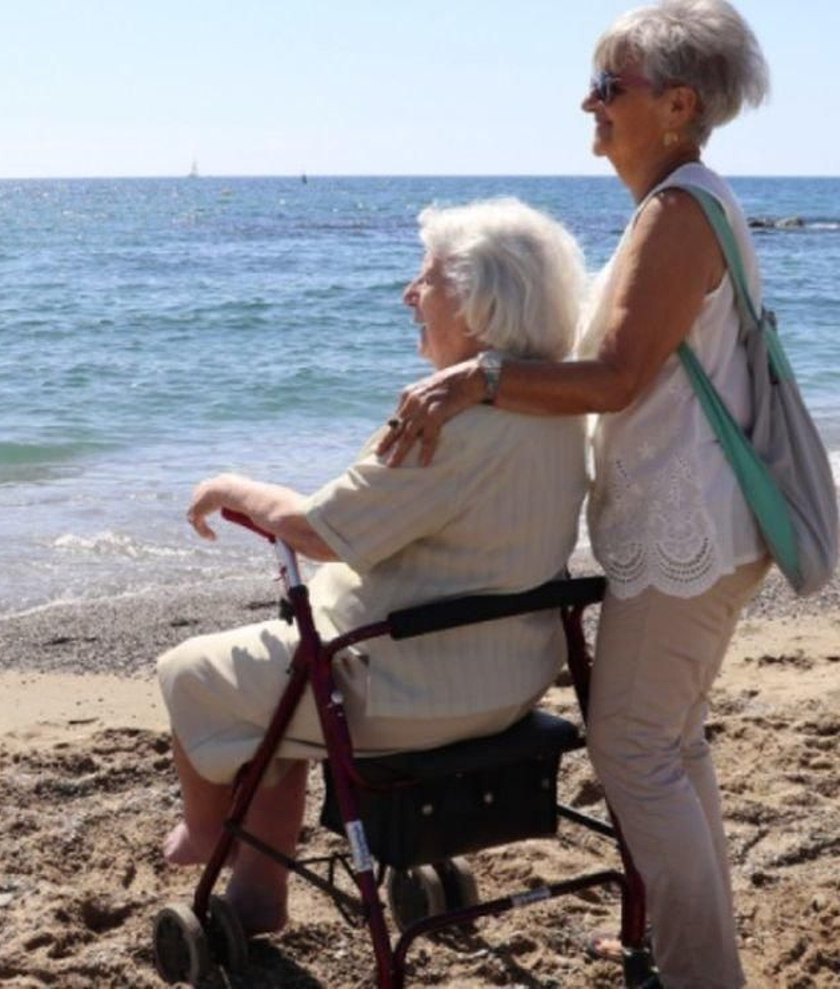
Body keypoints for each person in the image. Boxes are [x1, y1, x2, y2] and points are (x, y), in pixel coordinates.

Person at [377, 2, 771, 985]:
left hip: (686, 529)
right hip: (701, 525)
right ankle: (697, 955)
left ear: (677, 104)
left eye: (609, 86)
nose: (587, 103)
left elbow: (616, 378)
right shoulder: (681, 202)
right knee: (667, 744)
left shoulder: (679, 212)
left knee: (633, 748)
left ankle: (696, 971)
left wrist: (477, 380)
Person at [158, 197, 588, 936]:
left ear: (482, 305)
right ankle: (261, 891)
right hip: (511, 682)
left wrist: (231, 487)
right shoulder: (559, 413)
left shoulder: (444, 424)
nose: (409, 294)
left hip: (404, 692)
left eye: (427, 279)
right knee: (281, 677)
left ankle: (209, 837)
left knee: (191, 671)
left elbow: (318, 531)